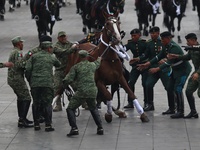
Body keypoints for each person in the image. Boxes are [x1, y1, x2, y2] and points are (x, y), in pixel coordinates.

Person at [138, 31, 192, 118]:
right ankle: (171, 108)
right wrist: (147, 64)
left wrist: (157, 69)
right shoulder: (166, 45)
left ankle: (180, 111)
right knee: (170, 87)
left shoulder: (174, 47)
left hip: (183, 70)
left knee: (178, 89)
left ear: (168, 38)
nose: (161, 41)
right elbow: (159, 56)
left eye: (163, 40)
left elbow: (168, 62)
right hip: (175, 70)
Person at [131, 27, 175, 113]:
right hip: (152, 68)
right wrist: (138, 59)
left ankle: (174, 104)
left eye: (154, 33)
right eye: (151, 33)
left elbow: (168, 54)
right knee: (148, 84)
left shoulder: (163, 42)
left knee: (168, 87)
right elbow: (146, 54)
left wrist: (165, 60)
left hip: (164, 68)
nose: (152, 35)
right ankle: (150, 104)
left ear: (158, 33)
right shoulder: (149, 43)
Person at [63, 50, 103, 137]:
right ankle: (100, 128)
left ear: (79, 57)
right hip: (92, 91)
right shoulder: (92, 65)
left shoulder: (76, 67)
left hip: (81, 92)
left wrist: (70, 85)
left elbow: (67, 80)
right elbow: (97, 63)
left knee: (70, 108)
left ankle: (74, 128)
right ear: (87, 56)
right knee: (93, 108)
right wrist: (99, 59)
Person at [25, 41, 61, 131]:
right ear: (48, 48)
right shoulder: (51, 57)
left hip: (35, 84)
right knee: (47, 103)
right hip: (47, 84)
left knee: (36, 103)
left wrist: (31, 80)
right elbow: (58, 64)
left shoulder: (33, 56)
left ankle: (36, 124)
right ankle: (48, 124)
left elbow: (28, 69)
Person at [168, 33, 200, 119]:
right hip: (196, 73)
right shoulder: (192, 49)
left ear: (194, 40)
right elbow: (187, 57)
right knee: (188, 92)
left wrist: (198, 73)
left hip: (198, 73)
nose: (187, 43)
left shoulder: (198, 48)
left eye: (188, 41)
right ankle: (193, 112)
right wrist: (176, 56)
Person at [7, 36, 33, 128]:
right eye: (21, 43)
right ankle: (22, 120)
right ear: (18, 44)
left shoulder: (14, 51)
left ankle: (22, 118)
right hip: (16, 79)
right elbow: (19, 65)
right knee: (27, 98)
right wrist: (29, 63)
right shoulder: (18, 52)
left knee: (21, 98)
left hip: (13, 78)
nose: (23, 44)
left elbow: (19, 62)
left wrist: (27, 56)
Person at [53, 31, 78, 112]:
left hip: (70, 70)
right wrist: (73, 48)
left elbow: (77, 50)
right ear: (58, 38)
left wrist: (76, 46)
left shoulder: (69, 44)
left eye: (64, 36)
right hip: (59, 70)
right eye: (61, 37)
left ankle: (84, 103)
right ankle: (58, 105)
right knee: (57, 87)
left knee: (76, 86)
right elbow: (64, 52)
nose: (63, 38)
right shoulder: (56, 46)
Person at [123, 28, 148, 109]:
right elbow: (124, 49)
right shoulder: (130, 43)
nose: (133, 37)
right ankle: (130, 102)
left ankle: (147, 102)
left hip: (144, 65)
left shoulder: (144, 43)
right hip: (135, 66)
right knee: (130, 83)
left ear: (139, 35)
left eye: (135, 35)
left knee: (145, 84)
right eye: (132, 36)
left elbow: (146, 54)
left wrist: (138, 58)